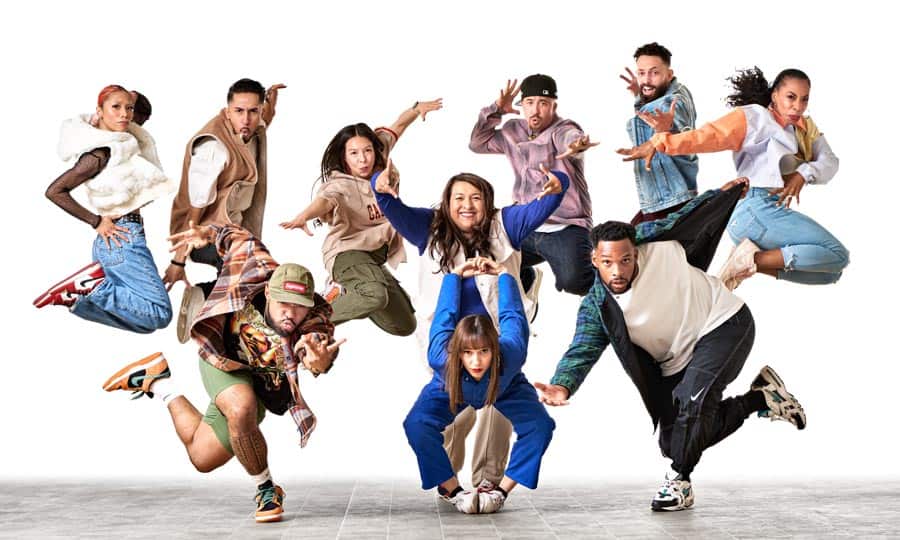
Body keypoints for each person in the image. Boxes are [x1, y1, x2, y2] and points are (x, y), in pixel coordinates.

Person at [534, 179, 807, 512]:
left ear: (635, 252)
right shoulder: (597, 306)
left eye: (625, 260)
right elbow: (582, 348)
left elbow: (687, 215)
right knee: (676, 441)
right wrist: (562, 385)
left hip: (723, 323)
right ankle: (760, 398)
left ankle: (679, 482)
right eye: (607, 263)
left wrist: (723, 194)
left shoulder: (656, 244)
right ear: (594, 260)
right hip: (677, 357)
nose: (618, 270)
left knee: (694, 401)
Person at [102, 222, 343, 523]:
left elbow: (317, 345)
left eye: (300, 307)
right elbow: (238, 237)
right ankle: (266, 490)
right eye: (284, 303)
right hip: (221, 358)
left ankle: (160, 382)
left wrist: (318, 360)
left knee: (202, 458)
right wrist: (208, 234)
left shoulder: (315, 319)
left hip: (260, 383)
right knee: (241, 408)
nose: (290, 314)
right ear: (269, 291)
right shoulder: (255, 267)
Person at [372, 163, 567, 497]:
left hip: (497, 341)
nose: (468, 205)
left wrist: (559, 182)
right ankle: (451, 485)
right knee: (451, 418)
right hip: (451, 344)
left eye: (476, 198)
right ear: (447, 203)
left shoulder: (505, 224)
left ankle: (491, 482)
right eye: (459, 197)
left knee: (497, 410)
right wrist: (380, 185)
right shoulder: (428, 228)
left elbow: (545, 203)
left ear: (487, 202)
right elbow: (393, 207)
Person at [618, 67, 848, 289]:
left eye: (804, 99)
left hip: (766, 212)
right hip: (754, 208)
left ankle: (748, 263)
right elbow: (706, 137)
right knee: (838, 254)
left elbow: (830, 162)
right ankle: (749, 261)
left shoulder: (805, 128)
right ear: (775, 95)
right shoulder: (755, 117)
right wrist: (662, 141)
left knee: (829, 272)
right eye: (791, 97)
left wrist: (802, 173)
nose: (798, 106)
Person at [280, 98, 443, 335]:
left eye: (367, 151)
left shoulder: (380, 157)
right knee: (375, 296)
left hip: (375, 256)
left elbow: (397, 127)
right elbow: (325, 201)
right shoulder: (340, 185)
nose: (363, 159)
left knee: (405, 325)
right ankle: (309, 322)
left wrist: (417, 110)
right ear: (344, 157)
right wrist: (304, 215)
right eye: (354, 153)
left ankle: (353, 290)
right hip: (346, 252)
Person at [404, 258, 554, 514]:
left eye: (484, 351)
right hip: (451, 387)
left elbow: (511, 313)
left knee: (540, 426)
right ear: (457, 352)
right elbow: (445, 314)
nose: (476, 361)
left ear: (495, 349)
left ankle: (498, 492)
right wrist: (454, 277)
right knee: (416, 425)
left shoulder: (512, 352)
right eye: (469, 353)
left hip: (504, 385)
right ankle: (453, 491)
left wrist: (505, 275)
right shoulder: (441, 356)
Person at [34, 85, 174, 333]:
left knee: (144, 324)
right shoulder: (102, 151)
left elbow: (140, 120)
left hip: (113, 242)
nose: (124, 114)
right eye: (116, 107)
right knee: (159, 314)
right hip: (121, 237)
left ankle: (77, 299)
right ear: (99, 111)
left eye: (128, 108)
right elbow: (55, 191)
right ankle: (92, 287)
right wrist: (96, 221)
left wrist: (133, 104)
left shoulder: (125, 146)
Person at [165, 78, 287, 342]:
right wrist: (178, 260)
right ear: (227, 110)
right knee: (251, 274)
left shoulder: (248, 131)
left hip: (231, 230)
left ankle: (208, 301)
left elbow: (257, 126)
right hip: (201, 234)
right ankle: (208, 310)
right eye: (240, 111)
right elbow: (195, 209)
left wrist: (269, 113)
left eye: (254, 111)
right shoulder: (213, 147)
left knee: (255, 279)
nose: (247, 119)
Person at [470, 73, 599, 297]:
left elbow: (569, 136)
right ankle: (525, 278)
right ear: (522, 105)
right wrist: (496, 110)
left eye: (543, 103)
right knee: (485, 265)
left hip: (564, 225)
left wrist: (576, 144)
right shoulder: (513, 130)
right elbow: (477, 143)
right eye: (530, 103)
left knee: (575, 282)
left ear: (553, 105)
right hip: (525, 222)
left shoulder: (562, 129)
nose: (536, 110)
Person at [619, 42, 698, 224]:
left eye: (654, 73)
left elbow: (683, 132)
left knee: (624, 245)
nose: (646, 80)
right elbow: (651, 110)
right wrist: (638, 95)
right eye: (641, 73)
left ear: (669, 75)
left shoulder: (672, 103)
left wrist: (665, 131)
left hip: (669, 200)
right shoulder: (677, 91)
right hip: (669, 196)